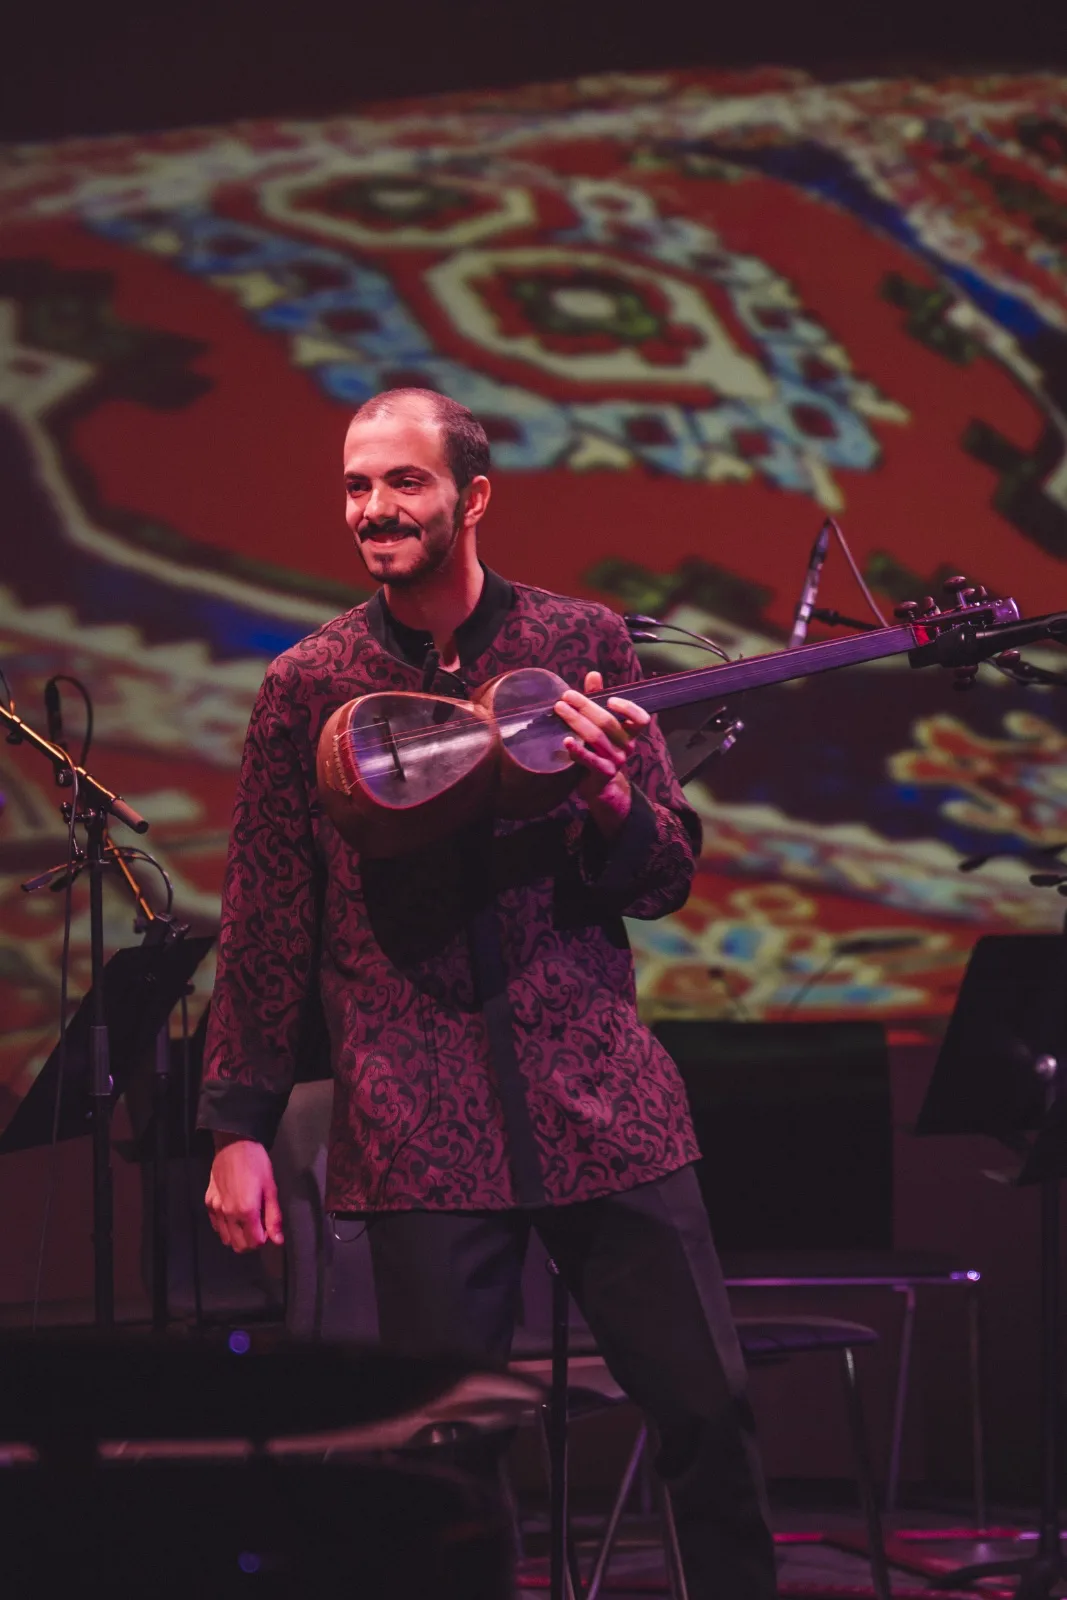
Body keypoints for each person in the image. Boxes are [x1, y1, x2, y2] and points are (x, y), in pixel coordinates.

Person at [199, 388, 777, 1597]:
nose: (373, 508)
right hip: (418, 1111)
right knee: (446, 1457)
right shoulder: (310, 683)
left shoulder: (579, 644)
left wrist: (610, 798)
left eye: (401, 482)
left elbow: (664, 873)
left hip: (597, 1092)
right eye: (356, 485)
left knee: (706, 1407)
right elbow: (265, 913)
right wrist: (237, 1126)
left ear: (471, 498)